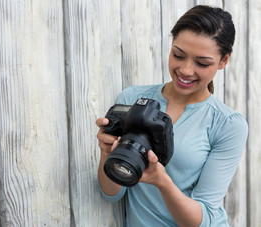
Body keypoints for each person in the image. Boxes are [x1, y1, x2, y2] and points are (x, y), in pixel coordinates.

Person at [96, 5, 248, 227]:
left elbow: (203, 220)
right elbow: (111, 193)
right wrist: (105, 153)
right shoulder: (134, 98)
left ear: (224, 61)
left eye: (202, 63)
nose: (186, 70)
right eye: (178, 55)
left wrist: (162, 182)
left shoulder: (227, 125)